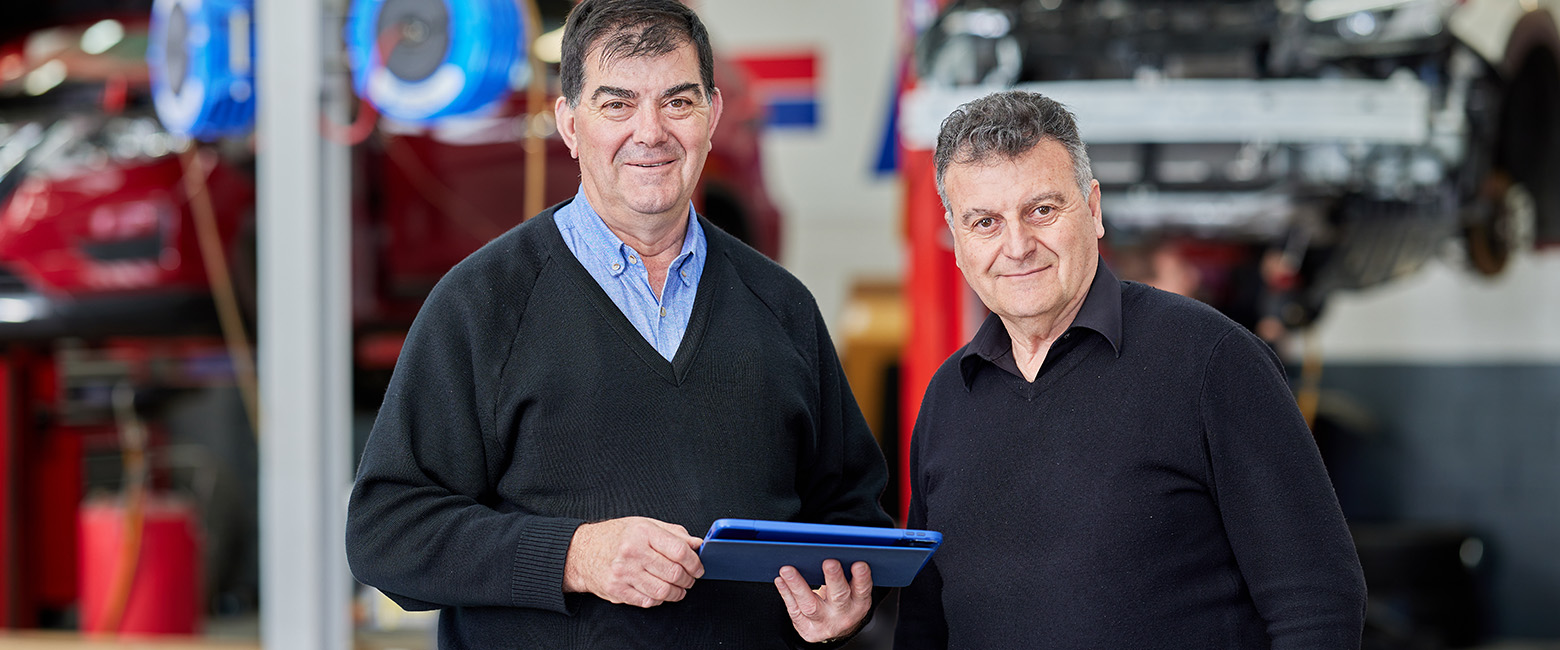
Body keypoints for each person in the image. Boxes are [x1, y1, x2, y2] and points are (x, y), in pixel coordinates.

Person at [345, 1, 892, 647]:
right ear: (570, 123)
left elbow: (852, 515)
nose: (651, 131)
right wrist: (575, 555)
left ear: (712, 116)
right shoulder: (482, 304)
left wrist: (846, 599)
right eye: (617, 104)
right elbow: (388, 533)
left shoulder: (782, 306)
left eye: (678, 102)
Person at [893, 91, 1366, 649]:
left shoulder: (1213, 362)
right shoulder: (950, 397)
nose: (1017, 246)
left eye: (1041, 210)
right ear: (956, 238)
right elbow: (924, 625)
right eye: (985, 222)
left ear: (1092, 210)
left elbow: (1317, 602)